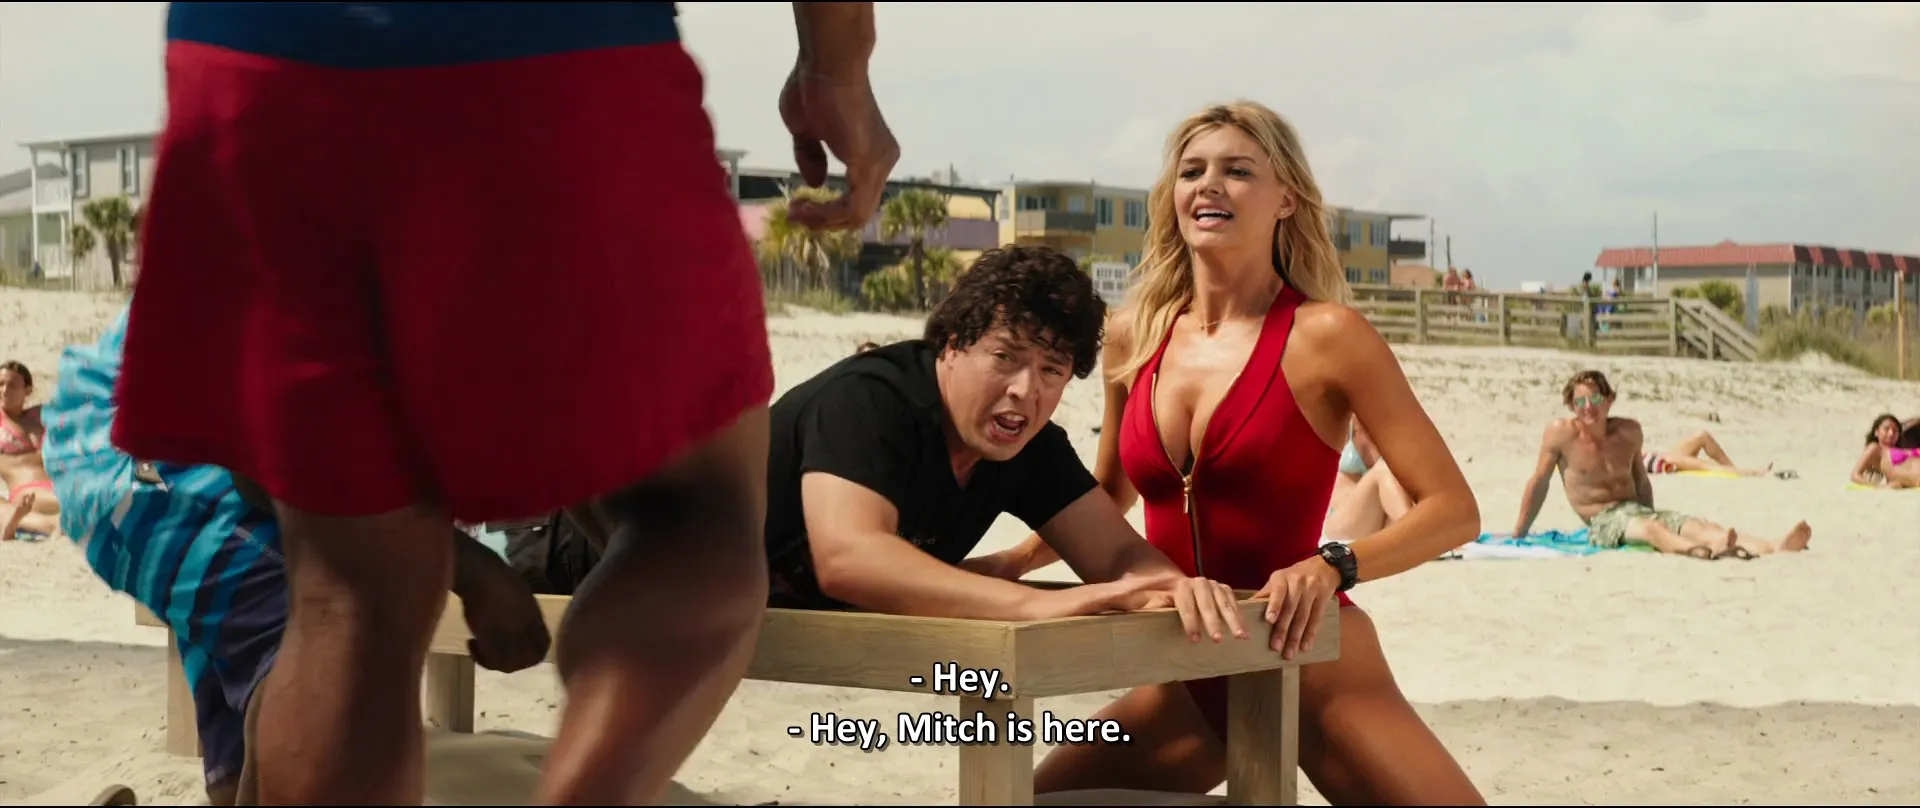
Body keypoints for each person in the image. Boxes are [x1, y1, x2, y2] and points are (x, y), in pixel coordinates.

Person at [110, 3, 899, 804]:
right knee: (696, 515)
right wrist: (835, 65)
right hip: (551, 47)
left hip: (252, 60)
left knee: (346, 598)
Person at [975, 101, 1486, 805]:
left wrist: (1333, 564)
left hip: (1306, 657)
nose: (1209, 185)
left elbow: (1454, 510)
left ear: (1286, 200)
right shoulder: (1133, 335)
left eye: (1238, 171)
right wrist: (1013, 561)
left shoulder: (1328, 336)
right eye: (1192, 171)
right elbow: (1108, 494)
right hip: (1189, 670)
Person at [41, 307, 553, 806]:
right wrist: (476, 571)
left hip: (151, 448)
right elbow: (270, 462)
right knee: (322, 647)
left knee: (255, 725)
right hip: (160, 446)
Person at [755, 245, 1244, 636]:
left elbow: (1118, 555)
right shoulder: (871, 401)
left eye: (1052, 370)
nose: (1025, 390)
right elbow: (849, 559)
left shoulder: (1029, 445)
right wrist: (1035, 604)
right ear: (952, 345)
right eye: (1005, 357)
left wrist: (1175, 590)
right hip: (709, 603)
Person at [1511, 370, 1812, 560]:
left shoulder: (1629, 431)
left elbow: (1641, 479)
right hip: (1603, 521)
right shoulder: (1561, 434)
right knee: (1653, 529)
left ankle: (1773, 546)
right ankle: (1699, 550)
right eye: (1580, 403)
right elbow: (1539, 482)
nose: (1588, 408)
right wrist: (1519, 533)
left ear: (1609, 400)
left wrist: (1653, 512)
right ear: (1571, 406)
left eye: (1595, 399)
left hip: (1638, 511)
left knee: (1700, 526)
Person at [1321, 419, 1414, 543]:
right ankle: (1418, 532)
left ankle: (1416, 533)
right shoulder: (1342, 421)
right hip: (1338, 517)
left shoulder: (1387, 427)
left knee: (1395, 478)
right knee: (1382, 469)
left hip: (1373, 519)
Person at [0, 360, 61, 538]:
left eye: (12, 385)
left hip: (58, 485)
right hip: (27, 491)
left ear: (28, 390)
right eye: (1, 384)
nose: (4, 390)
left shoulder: (41, 415)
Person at [1639, 429, 1777, 478]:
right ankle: (1754, 472)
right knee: (1706, 466)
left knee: (1703, 436)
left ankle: (1732, 468)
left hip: (1652, 457)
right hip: (1657, 463)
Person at [1852, 413, 1920, 488]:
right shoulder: (1876, 448)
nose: (1891, 433)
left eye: (1895, 430)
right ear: (1876, 432)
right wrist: (1877, 487)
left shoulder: (1903, 448)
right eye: (1886, 429)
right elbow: (1855, 475)